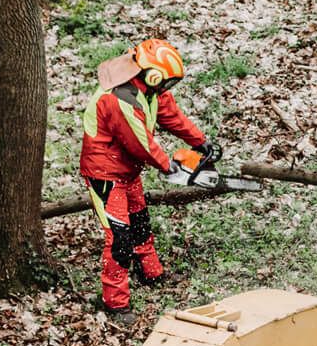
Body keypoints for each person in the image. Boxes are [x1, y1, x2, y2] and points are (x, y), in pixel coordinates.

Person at [79, 37, 219, 314]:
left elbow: (170, 115)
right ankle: (115, 303)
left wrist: (199, 142)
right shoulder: (120, 99)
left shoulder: (150, 89)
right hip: (105, 173)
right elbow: (140, 143)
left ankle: (150, 271)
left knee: (140, 221)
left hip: (128, 169)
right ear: (153, 74)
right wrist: (169, 166)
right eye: (166, 82)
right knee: (119, 237)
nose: (167, 88)